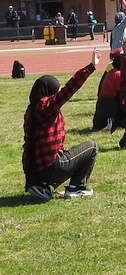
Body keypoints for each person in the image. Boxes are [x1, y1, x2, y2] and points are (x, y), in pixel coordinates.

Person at [23, 48, 101, 201]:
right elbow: (70, 89)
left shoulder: (30, 111)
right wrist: (91, 66)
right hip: (50, 167)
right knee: (91, 147)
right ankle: (76, 187)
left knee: (67, 156)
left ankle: (44, 187)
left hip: (37, 169)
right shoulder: (46, 106)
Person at [92, 49, 125, 132]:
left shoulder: (111, 71)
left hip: (102, 103)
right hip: (110, 104)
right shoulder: (118, 74)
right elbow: (121, 91)